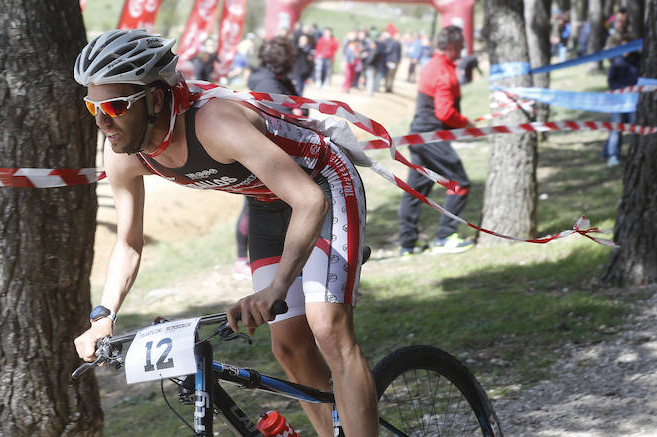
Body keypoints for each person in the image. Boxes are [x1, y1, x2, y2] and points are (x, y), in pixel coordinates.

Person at [72, 29, 378, 436]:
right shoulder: (123, 151)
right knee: (288, 346)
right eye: (92, 106)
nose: (102, 121)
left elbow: (308, 200)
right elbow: (128, 242)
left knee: (328, 329)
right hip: (269, 204)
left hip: (321, 186)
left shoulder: (215, 123)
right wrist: (103, 316)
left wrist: (277, 288)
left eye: (115, 105)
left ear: (156, 98)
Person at [397, 25, 476, 257]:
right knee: (459, 183)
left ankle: (407, 246)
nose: (463, 48)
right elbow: (444, 113)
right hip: (432, 137)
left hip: (420, 135)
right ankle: (444, 238)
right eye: (461, 44)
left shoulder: (432, 64)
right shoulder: (443, 71)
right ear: (451, 46)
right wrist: (466, 124)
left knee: (416, 191)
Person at [602, 37, 640, 167]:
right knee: (616, 127)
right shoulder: (617, 61)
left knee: (636, 126)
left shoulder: (639, 61)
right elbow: (611, 81)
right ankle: (612, 154)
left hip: (635, 100)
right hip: (619, 100)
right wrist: (621, 90)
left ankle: (636, 153)